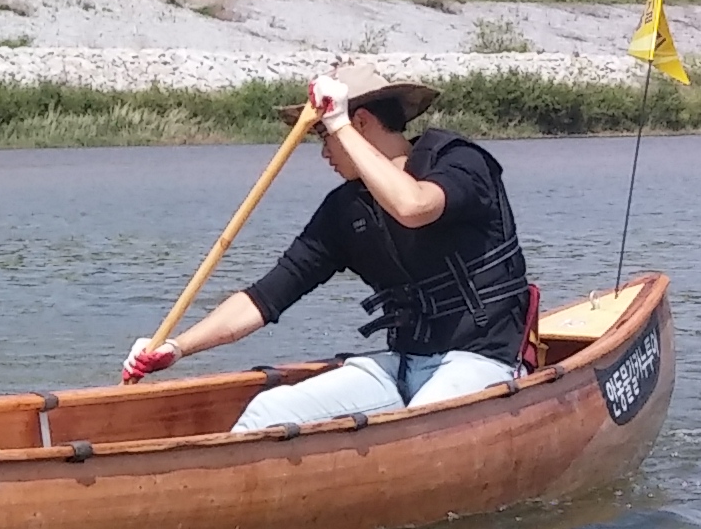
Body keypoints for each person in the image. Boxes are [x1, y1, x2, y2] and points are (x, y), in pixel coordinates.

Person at [122, 59, 533, 433]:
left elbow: (413, 206)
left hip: (481, 362)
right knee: (269, 410)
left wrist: (339, 125)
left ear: (362, 122)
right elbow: (264, 299)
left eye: (324, 135)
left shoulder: (459, 161)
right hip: (400, 366)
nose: (323, 152)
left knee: (417, 426)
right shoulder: (344, 210)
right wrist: (176, 348)